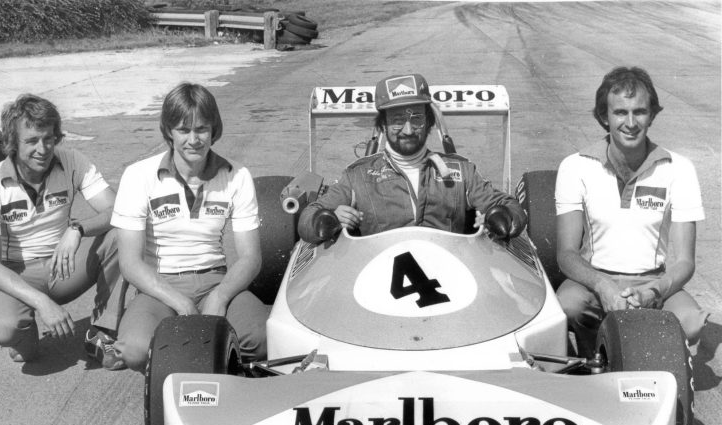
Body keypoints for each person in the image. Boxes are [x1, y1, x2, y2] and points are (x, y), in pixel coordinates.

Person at [111, 82, 267, 371]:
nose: (194, 139)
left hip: (216, 281)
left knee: (262, 337)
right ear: (169, 131)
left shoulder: (238, 175)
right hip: (160, 286)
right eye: (184, 130)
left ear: (214, 130)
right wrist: (180, 303)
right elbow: (130, 263)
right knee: (134, 351)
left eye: (202, 129)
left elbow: (250, 258)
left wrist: (220, 297)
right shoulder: (138, 175)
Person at [555, 66, 708, 357]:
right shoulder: (575, 166)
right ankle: (595, 356)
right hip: (593, 281)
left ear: (651, 115)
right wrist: (603, 286)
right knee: (566, 307)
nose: (630, 122)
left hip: (653, 282)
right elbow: (566, 253)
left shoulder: (680, 169)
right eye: (620, 112)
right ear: (604, 116)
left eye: (639, 112)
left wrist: (653, 292)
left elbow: (686, 261)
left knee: (690, 324)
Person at [0, 94, 124, 369]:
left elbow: (119, 210)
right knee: (4, 329)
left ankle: (102, 332)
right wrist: (42, 303)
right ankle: (24, 329)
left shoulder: (72, 161)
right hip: (17, 272)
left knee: (121, 235)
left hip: (63, 265)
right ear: (13, 143)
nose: (42, 149)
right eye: (31, 141)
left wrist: (78, 228)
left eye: (49, 138)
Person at [297, 73, 527, 243]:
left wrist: (498, 219)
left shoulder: (461, 171)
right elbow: (308, 219)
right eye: (397, 119)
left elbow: (509, 207)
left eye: (416, 118)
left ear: (428, 122)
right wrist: (330, 219)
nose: (408, 130)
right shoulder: (357, 176)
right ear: (383, 124)